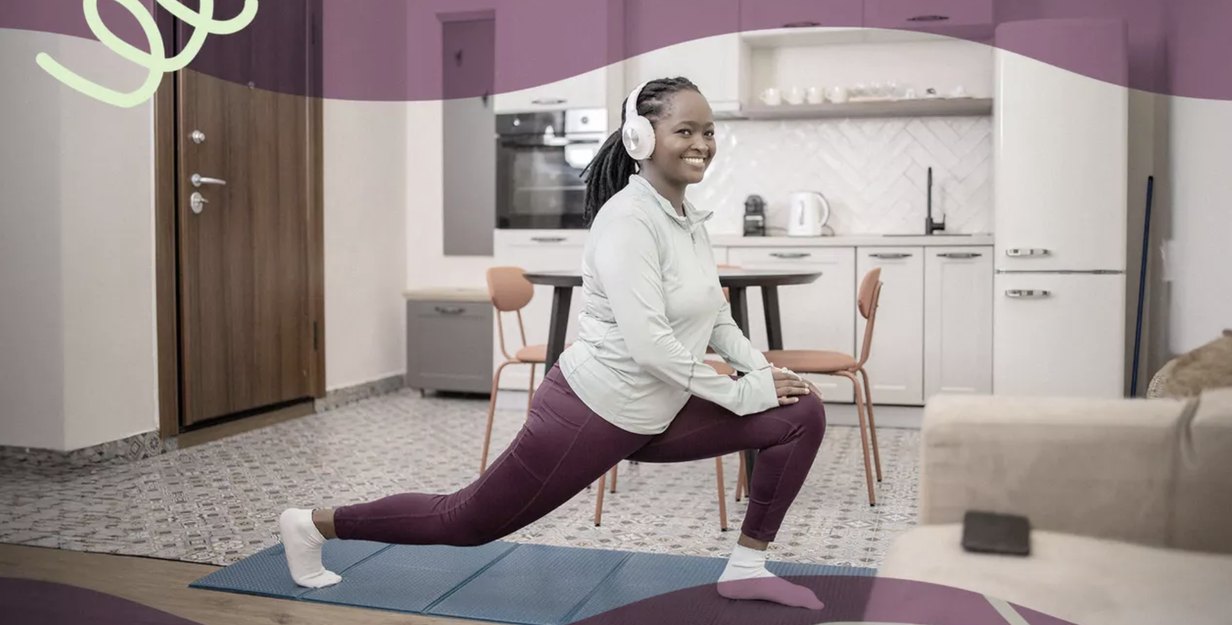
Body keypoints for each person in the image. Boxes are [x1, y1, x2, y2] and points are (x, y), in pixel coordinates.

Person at [279, 76, 828, 610]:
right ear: (641, 138)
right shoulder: (628, 221)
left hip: (656, 409)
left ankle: (747, 570)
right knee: (467, 521)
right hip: (591, 410)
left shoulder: (688, 220)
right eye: (685, 130)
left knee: (801, 411)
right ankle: (313, 524)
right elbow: (650, 345)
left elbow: (716, 319)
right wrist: (739, 393)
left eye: (708, 131)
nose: (702, 144)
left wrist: (761, 375)